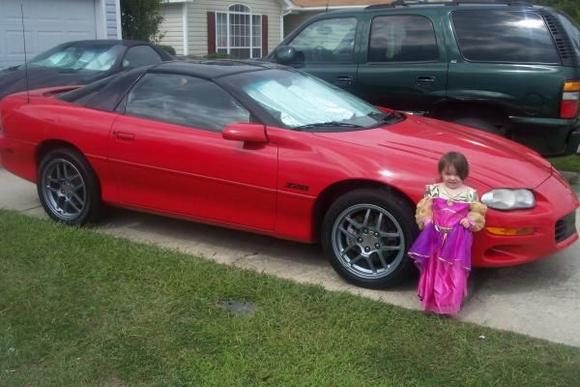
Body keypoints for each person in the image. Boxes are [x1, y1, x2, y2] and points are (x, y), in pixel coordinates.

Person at [408, 151, 487, 315]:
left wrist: (470, 220)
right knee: (435, 268)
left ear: (464, 174)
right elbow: (424, 208)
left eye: (457, 174)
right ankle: (432, 303)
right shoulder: (434, 190)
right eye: (448, 174)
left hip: (457, 240)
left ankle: (448, 305)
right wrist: (427, 219)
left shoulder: (470, 193)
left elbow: (478, 212)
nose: (452, 178)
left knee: (453, 271)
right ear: (441, 173)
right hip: (435, 238)